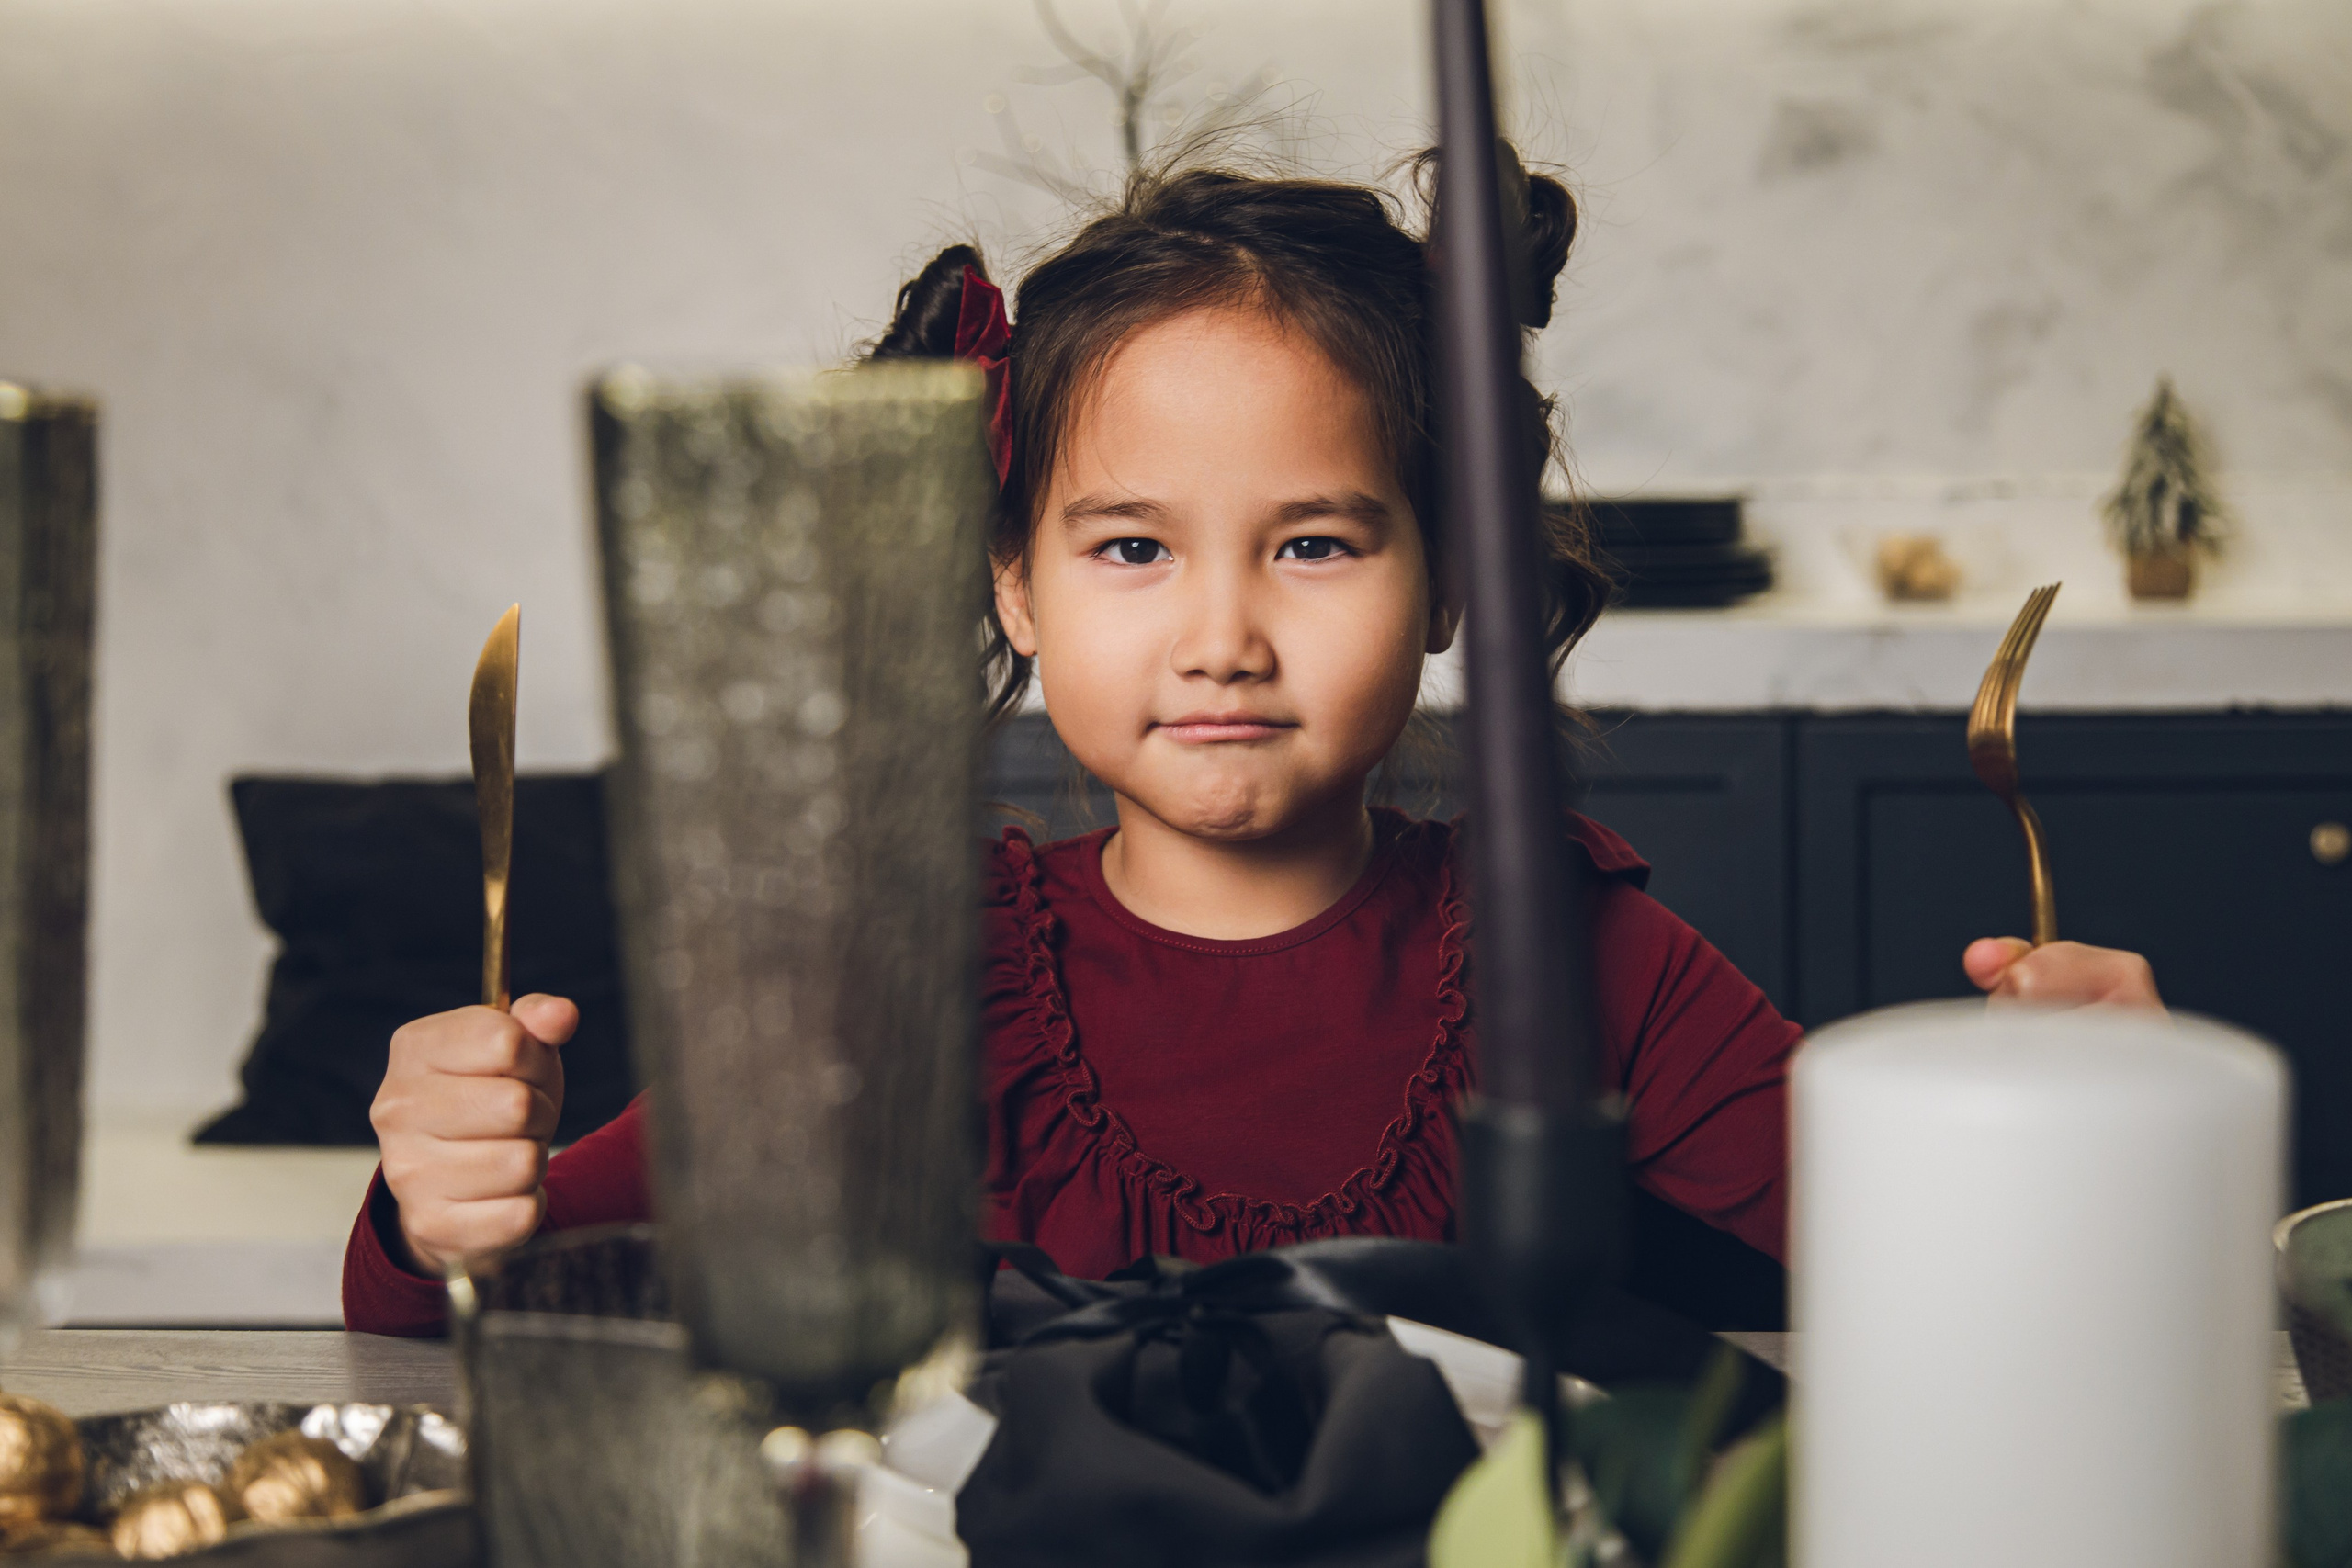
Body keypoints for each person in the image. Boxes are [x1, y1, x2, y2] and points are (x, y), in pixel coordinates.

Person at [344, 153, 2161, 1336]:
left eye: (1314, 543)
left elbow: (1983, 1283)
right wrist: (447, 1196)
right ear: (1015, 586)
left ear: (1447, 579)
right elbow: (464, 1299)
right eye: (1132, 548)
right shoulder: (909, 977)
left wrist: (2094, 1140)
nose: (1221, 633)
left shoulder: (1585, 960)